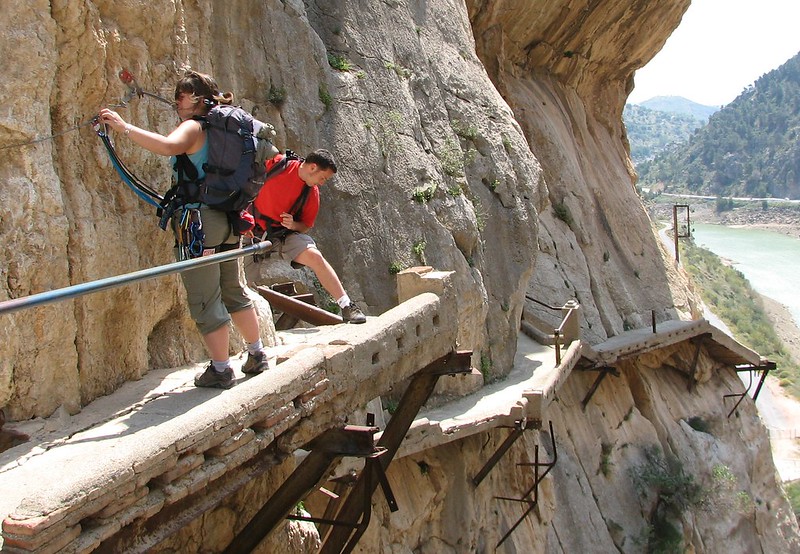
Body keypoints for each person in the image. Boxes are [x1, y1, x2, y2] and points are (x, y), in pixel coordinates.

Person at [99, 70, 271, 389]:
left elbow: (168, 146)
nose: (177, 101)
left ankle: (221, 369)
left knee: (205, 297)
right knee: (233, 289)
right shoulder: (229, 131)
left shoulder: (193, 127)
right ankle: (257, 354)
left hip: (198, 224)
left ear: (196, 99)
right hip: (229, 219)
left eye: (181, 96)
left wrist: (123, 127)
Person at [251, 149, 366, 324]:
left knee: (315, 256)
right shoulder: (278, 164)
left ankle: (346, 305)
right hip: (251, 230)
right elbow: (246, 179)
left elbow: (305, 226)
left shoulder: (311, 192)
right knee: (242, 284)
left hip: (281, 234)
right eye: (323, 178)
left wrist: (293, 225)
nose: (322, 183)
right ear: (313, 167)